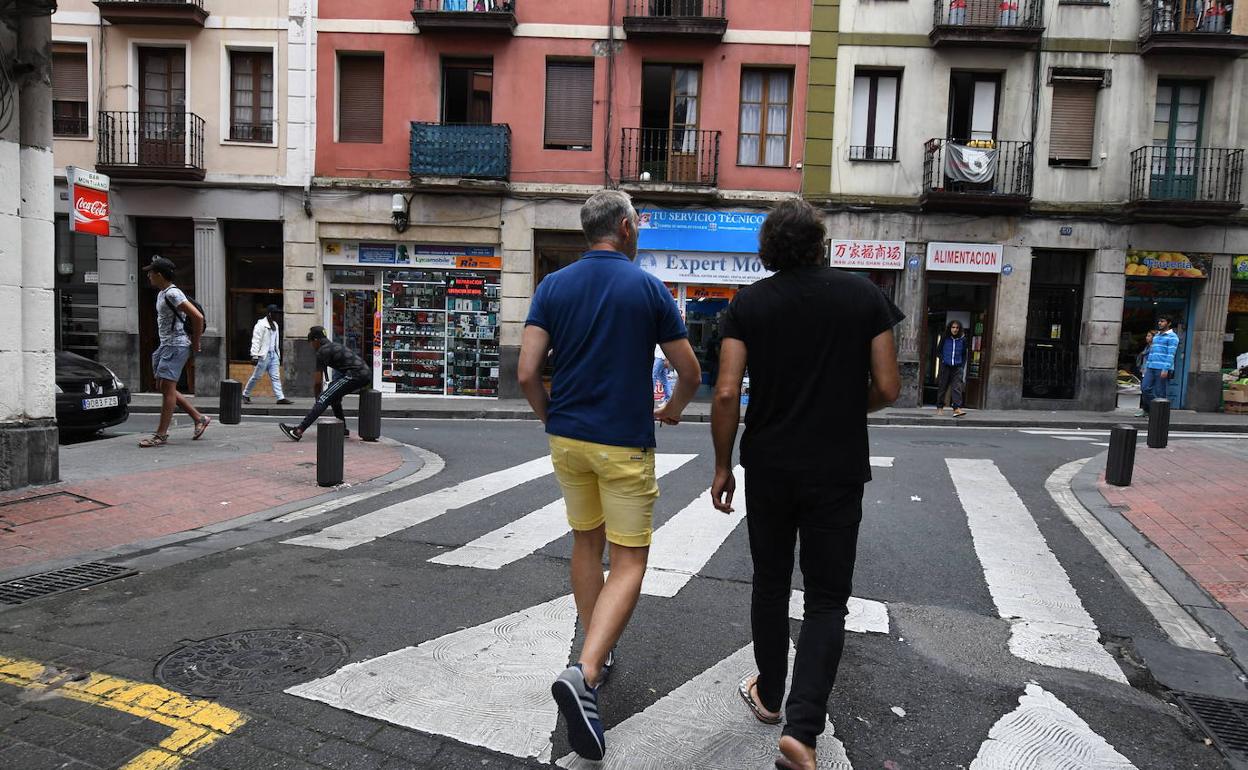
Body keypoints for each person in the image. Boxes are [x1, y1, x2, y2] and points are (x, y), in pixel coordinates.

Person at [709, 199, 902, 770]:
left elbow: (725, 393)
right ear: (821, 242)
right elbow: (889, 387)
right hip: (837, 467)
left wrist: (723, 466)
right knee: (825, 599)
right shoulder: (864, 296)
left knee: (770, 581)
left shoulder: (749, 305)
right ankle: (803, 730)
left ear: (768, 247)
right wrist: (844, 410)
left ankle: (769, 693)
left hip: (769, 464)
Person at [517, 189, 700, 761]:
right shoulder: (646, 287)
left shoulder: (553, 286)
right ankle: (587, 670)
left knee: (584, 542)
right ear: (624, 228)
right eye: (637, 224)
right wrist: (671, 410)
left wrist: (553, 418)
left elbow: (527, 371)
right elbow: (688, 370)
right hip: (623, 441)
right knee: (629, 559)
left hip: (567, 438)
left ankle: (594, 644)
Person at [139, 256, 211, 447]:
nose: (148, 275)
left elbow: (197, 316)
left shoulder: (173, 294)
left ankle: (161, 434)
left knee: (168, 390)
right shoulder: (162, 293)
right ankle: (199, 418)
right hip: (166, 345)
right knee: (162, 387)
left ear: (160, 275)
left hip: (176, 345)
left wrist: (195, 342)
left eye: (151, 273)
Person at [279, 326, 372, 441]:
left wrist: (319, 399)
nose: (312, 346)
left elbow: (317, 381)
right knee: (334, 397)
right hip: (364, 374)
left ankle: (298, 431)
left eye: (311, 343)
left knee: (325, 397)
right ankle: (343, 429)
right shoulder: (333, 346)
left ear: (316, 340)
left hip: (355, 375)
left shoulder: (322, 351)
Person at [243, 304, 294, 405]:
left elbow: (275, 342)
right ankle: (245, 394)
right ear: (270, 314)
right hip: (263, 355)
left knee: (275, 377)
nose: (278, 316)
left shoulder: (275, 325)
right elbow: (256, 340)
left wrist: (277, 354)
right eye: (275, 313)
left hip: (273, 355)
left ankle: (280, 398)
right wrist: (254, 355)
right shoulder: (261, 325)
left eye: (278, 314)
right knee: (256, 376)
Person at [1141, 314, 1180, 414]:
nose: (1160, 323)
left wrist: (1166, 369)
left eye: (1162, 321)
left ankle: (1160, 414)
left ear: (1169, 323)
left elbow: (1171, 354)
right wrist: (1146, 366)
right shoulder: (1157, 336)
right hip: (1151, 367)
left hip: (1162, 368)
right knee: (1145, 388)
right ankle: (1154, 409)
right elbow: (1152, 352)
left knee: (1160, 393)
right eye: (1159, 321)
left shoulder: (1173, 337)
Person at [935, 320, 968, 417]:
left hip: (957, 367)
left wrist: (962, 366)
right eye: (953, 327)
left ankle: (957, 409)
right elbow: (938, 351)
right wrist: (944, 360)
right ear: (950, 328)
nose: (955, 329)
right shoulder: (945, 338)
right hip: (946, 366)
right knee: (942, 387)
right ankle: (940, 408)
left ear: (959, 329)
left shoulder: (963, 340)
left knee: (957, 388)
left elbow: (964, 354)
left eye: (957, 328)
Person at [1133, 330, 1156, 417]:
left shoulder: (1154, 348)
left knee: (1147, 390)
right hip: (1145, 370)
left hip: (1150, 370)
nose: (1147, 337)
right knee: (1144, 390)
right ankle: (1146, 409)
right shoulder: (1147, 347)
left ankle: (1154, 408)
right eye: (1147, 336)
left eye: (1149, 336)